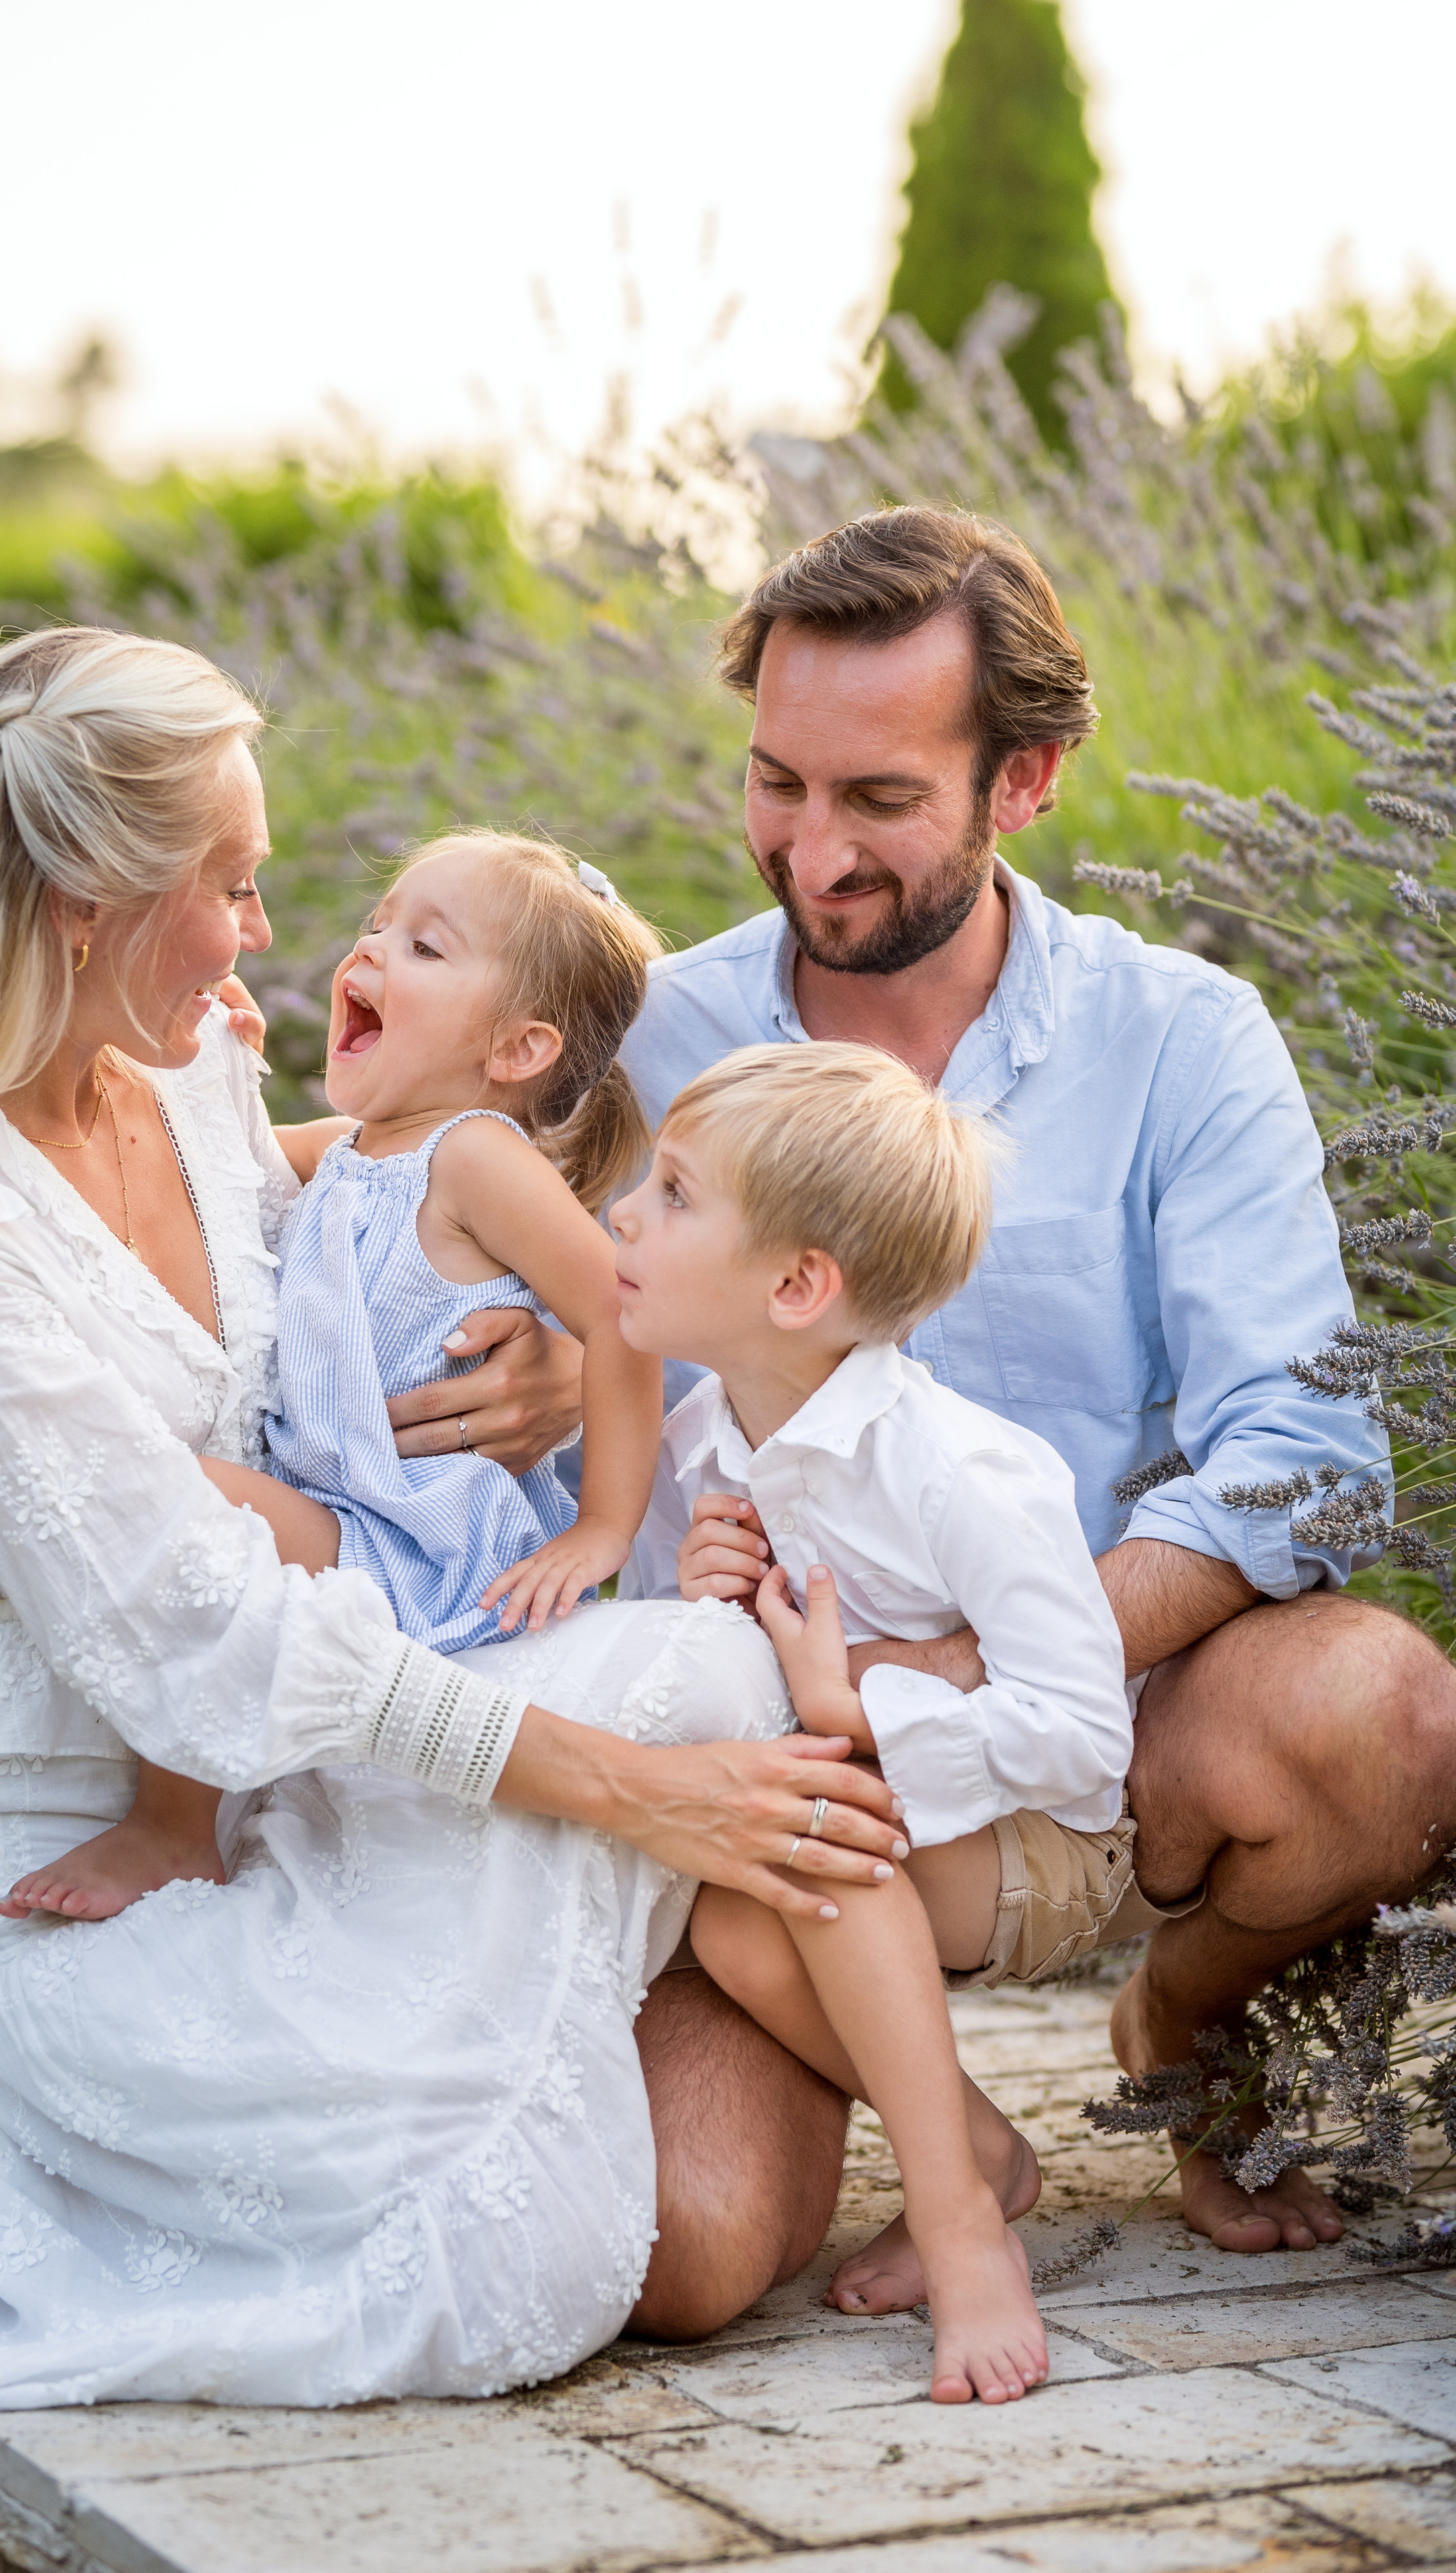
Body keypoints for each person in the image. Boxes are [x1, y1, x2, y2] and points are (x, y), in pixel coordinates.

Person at [0, 629, 905, 2541]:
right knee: (551, 2245)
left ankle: (777, 2033)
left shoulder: (188, 1070)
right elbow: (198, 1628)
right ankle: (697, 1985)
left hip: (305, 1782)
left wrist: (533, 1360)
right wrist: (609, 1787)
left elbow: (365, 1230)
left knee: (696, 1662)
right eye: (229, 883)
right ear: (80, 899)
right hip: (73, 1866)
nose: (265, 933)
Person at [367, 505, 1455, 2329]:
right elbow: (423, 1291)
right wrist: (570, 1388)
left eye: (878, 798)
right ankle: (953, 2127)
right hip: (752, 1746)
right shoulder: (654, 1035)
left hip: (1095, 1708)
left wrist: (952, 1667)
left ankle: (1175, 2030)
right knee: (685, 2258)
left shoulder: (1181, 1037)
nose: (810, 846)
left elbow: (1310, 1450)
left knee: (1387, 1718)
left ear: (1022, 779)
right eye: (777, 781)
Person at [0, 830, 669, 1921]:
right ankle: (180, 1816)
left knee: (193, 1501)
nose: (370, 953)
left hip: (422, 1535)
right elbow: (219, 1155)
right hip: (349, 1512)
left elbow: (622, 1315)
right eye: (375, 925)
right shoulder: (358, 1145)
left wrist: (603, 1530)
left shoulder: (474, 1156)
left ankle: (175, 1832)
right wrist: (213, 1058)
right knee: (201, 1504)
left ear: (515, 1048)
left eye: (424, 946)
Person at [610, 1041, 1136, 2400]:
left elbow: (1083, 1733)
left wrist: (867, 1710)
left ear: (795, 1288)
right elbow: (686, 1678)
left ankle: (963, 2229)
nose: (624, 1215)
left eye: (671, 1196)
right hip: (842, 1853)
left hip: (1035, 1853)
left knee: (803, 1843)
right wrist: (692, 1603)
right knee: (732, 1913)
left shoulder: (955, 1467)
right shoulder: (696, 1446)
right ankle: (979, 2152)